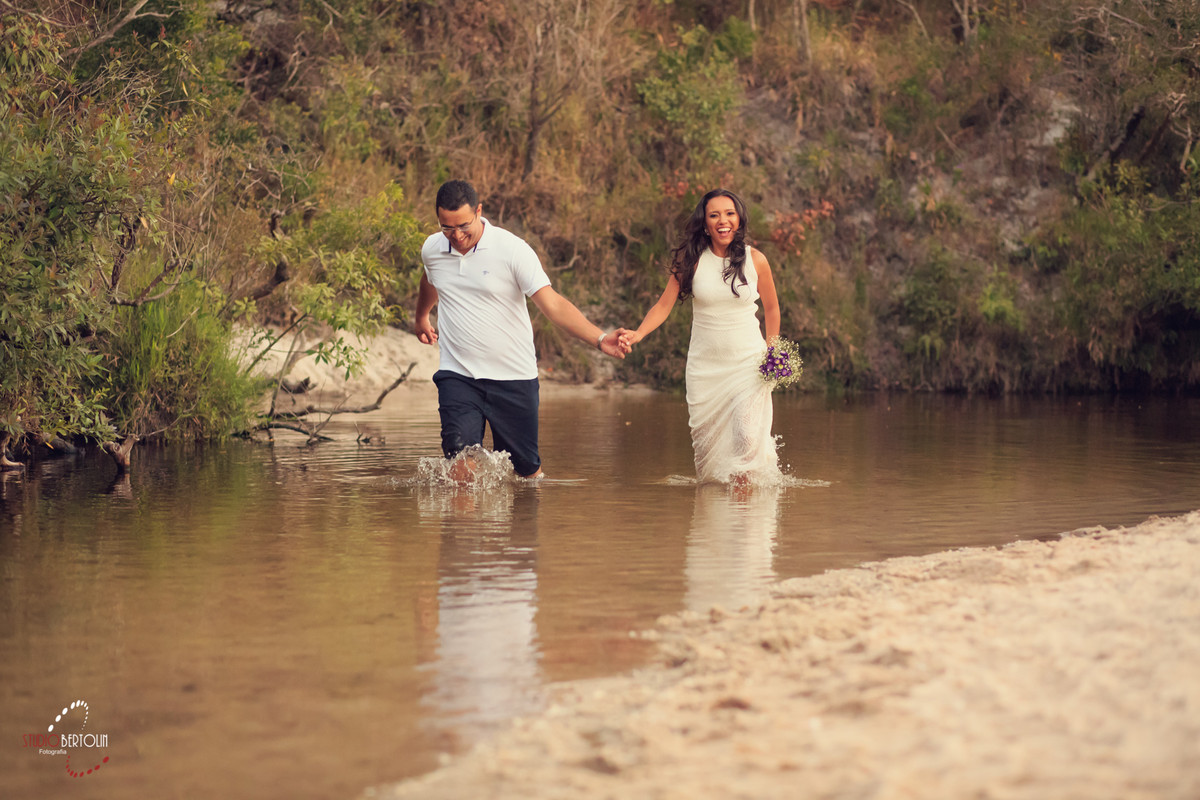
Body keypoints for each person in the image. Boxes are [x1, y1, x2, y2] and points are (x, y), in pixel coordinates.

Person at [413, 179, 630, 480]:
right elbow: (430, 279)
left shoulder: (512, 250)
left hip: (513, 377)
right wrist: (422, 315)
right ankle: (463, 529)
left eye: (463, 226)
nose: (456, 236)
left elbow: (553, 305)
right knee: (460, 466)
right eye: (447, 228)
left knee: (526, 475)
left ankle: (523, 526)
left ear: (479, 211)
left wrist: (600, 338)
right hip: (459, 375)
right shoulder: (433, 249)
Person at [622, 188, 782, 485]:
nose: (723, 221)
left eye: (730, 213)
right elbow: (663, 306)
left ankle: (745, 523)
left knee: (746, 440)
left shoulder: (756, 260)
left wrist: (773, 352)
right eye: (715, 215)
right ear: (705, 223)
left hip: (749, 364)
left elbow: (772, 309)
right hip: (706, 371)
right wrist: (638, 333)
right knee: (709, 471)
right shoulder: (691, 261)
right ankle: (715, 528)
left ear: (739, 219)